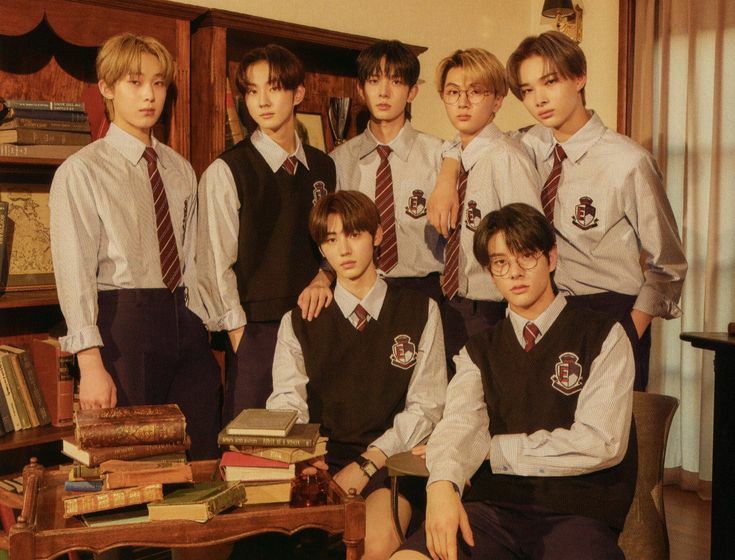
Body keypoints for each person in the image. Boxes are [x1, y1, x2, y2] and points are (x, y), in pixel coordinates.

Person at [393, 203, 637, 560]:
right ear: (491, 273)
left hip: (576, 514)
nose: (515, 272)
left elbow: (601, 442)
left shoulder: (603, 335)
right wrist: (442, 483)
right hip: (492, 510)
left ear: (551, 258)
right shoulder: (478, 350)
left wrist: (492, 450)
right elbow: (461, 423)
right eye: (501, 262)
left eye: (527, 256)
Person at [49, 33, 220, 459]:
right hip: (124, 325)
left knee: (199, 455)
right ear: (107, 88)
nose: (149, 96)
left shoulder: (180, 170)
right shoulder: (82, 171)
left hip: (185, 319)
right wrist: (90, 362)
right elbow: (74, 272)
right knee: (134, 462)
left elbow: (193, 259)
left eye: (159, 83)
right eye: (135, 82)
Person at [268, 191, 447, 560]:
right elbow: (286, 402)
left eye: (354, 235)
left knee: (373, 545)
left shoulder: (419, 310)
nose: (344, 250)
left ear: (377, 235)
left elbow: (427, 407)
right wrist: (302, 456)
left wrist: (368, 462)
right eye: (331, 240)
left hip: (392, 461)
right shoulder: (298, 320)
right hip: (322, 461)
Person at [197, 44, 336, 424]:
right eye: (252, 91)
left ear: (299, 93)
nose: (262, 101)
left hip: (316, 325)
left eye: (274, 88)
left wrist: (324, 276)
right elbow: (214, 263)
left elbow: (337, 243)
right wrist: (241, 337)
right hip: (257, 332)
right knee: (253, 445)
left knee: (314, 441)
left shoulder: (324, 167)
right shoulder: (228, 170)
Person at [433, 48, 541, 369]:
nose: (463, 102)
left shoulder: (506, 157)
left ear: (497, 101)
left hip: (492, 309)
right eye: (453, 92)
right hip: (452, 303)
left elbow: (529, 239)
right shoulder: (453, 156)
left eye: (476, 92)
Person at [329, 39, 447, 303]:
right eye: (374, 81)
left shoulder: (439, 155)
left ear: (412, 91)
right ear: (360, 89)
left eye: (395, 81)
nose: (383, 92)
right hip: (357, 289)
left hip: (422, 289)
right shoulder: (339, 161)